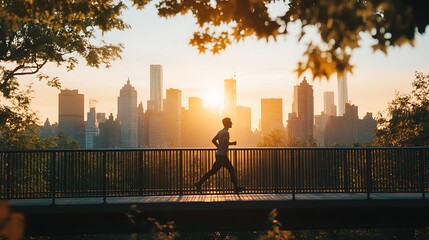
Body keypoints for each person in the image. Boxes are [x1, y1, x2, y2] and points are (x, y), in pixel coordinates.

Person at [194, 117, 244, 194]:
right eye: (230, 122)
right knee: (231, 170)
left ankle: (199, 183)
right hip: (222, 156)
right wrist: (233, 143)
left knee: (213, 171)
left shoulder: (220, 131)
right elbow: (224, 143)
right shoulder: (226, 133)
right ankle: (236, 188)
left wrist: (218, 147)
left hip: (219, 154)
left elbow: (213, 140)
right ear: (227, 123)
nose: (232, 123)